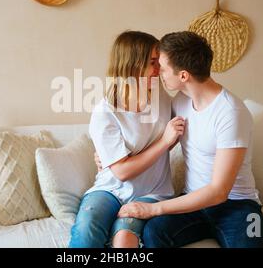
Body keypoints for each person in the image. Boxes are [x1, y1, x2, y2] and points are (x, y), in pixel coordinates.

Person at [116, 31, 263, 248]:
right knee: (153, 233)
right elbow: (147, 136)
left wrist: (154, 208)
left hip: (238, 206)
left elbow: (219, 191)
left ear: (184, 76)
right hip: (192, 202)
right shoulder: (180, 101)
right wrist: (110, 155)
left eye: (163, 67)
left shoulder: (231, 112)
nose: (158, 72)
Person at [69, 31, 185, 248]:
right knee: (87, 229)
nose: (159, 70)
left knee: (125, 237)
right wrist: (164, 142)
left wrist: (171, 138)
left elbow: (179, 130)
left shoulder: (161, 95)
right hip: (109, 190)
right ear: (133, 65)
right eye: (153, 63)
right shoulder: (105, 112)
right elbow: (122, 172)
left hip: (153, 193)